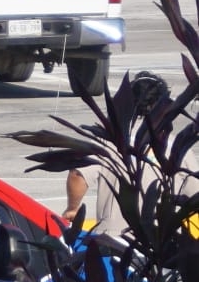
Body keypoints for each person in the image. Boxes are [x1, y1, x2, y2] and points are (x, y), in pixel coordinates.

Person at [63, 71, 199, 237]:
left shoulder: (111, 140)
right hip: (161, 242)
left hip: (113, 238)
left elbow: (78, 173)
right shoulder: (177, 147)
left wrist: (73, 208)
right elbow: (195, 195)